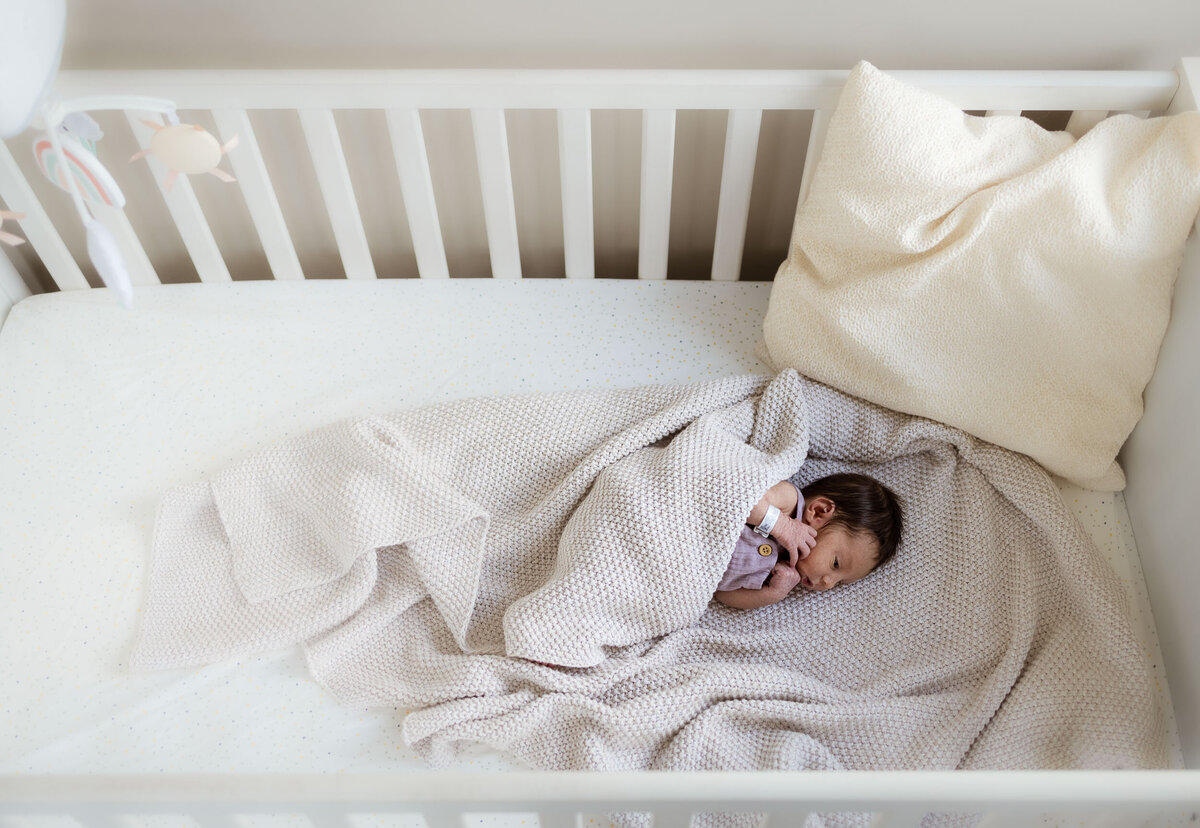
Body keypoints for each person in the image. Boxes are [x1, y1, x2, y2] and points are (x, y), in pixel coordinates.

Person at [713, 472, 903, 609]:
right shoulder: (790, 504)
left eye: (839, 583)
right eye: (835, 564)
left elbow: (721, 592)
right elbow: (741, 496)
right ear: (819, 511)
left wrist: (770, 595)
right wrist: (781, 525)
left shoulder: (775, 573)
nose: (828, 583)